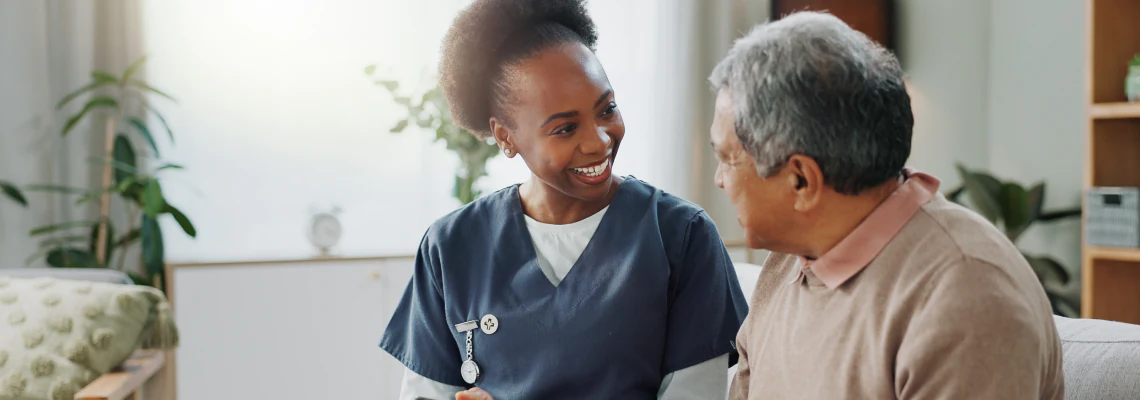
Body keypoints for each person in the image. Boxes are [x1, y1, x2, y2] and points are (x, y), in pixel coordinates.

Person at [379, 1, 749, 399]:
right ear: (506, 137)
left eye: (607, 109)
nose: (599, 141)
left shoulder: (682, 237)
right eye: (565, 128)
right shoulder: (450, 248)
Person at [707, 12, 1064, 400]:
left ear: (802, 181)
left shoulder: (967, 297)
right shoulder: (788, 263)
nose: (719, 179)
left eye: (727, 158)